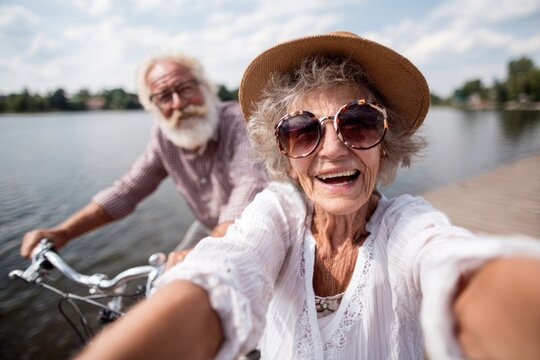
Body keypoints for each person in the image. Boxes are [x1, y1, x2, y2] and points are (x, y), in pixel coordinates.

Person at [76, 31, 540, 360]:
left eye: (358, 122)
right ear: (281, 151)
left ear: (386, 137)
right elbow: (228, 266)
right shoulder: (277, 213)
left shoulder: (406, 225)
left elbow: (453, 265)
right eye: (301, 132)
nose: (333, 149)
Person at [20, 51, 268, 267]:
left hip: (257, 228)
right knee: (163, 285)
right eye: (164, 97)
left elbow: (249, 184)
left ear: (204, 86)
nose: (178, 104)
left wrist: (210, 249)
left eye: (185, 89)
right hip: (212, 227)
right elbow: (128, 190)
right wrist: (63, 232)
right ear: (154, 106)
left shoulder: (237, 121)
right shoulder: (165, 136)